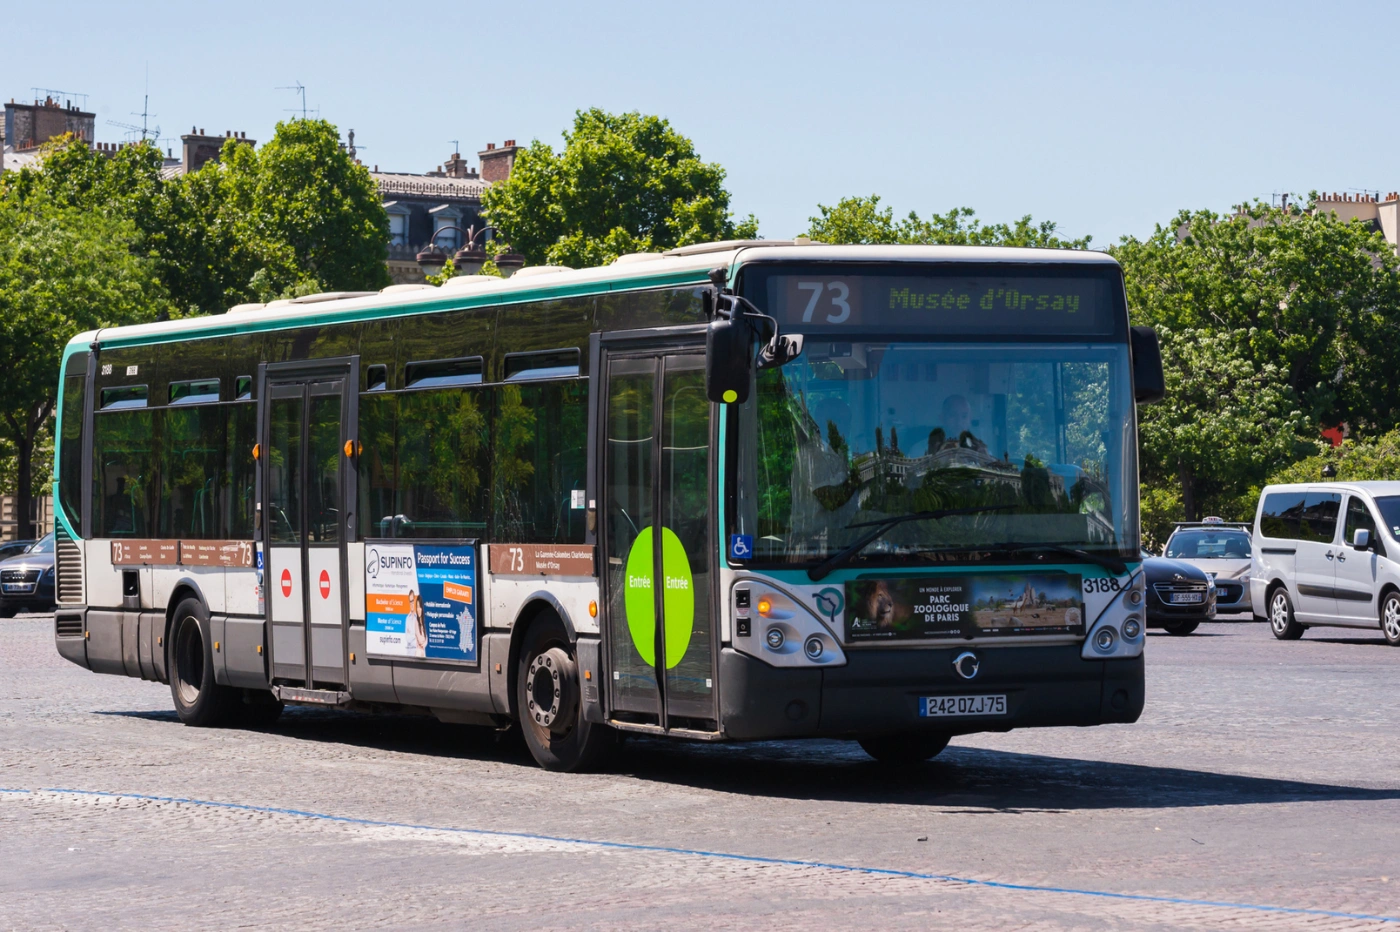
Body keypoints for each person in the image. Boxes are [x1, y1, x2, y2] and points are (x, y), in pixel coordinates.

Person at [405, 590, 427, 657]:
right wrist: (415, 636)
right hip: (410, 653)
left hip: (419, 652)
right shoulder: (407, 619)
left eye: (412, 601)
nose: (411, 603)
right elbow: (407, 639)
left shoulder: (418, 617)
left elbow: (425, 636)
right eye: (410, 601)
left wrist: (413, 634)